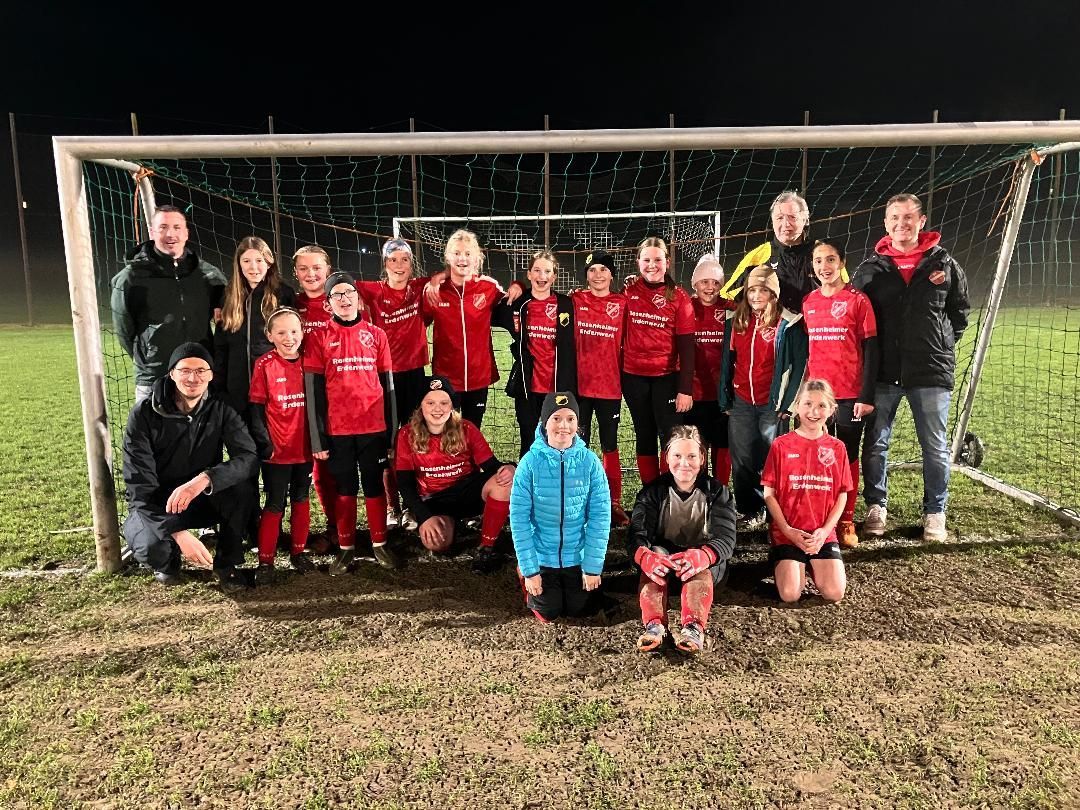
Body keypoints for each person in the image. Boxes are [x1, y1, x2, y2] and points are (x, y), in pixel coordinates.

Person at [852, 193, 970, 542]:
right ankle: (876, 506)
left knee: (934, 446)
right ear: (885, 223)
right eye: (894, 218)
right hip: (883, 372)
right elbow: (857, 318)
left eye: (907, 217)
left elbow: (959, 313)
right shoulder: (870, 269)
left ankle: (935, 511)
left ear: (921, 222)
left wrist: (938, 345)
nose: (901, 224)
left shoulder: (944, 263)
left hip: (930, 371)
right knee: (876, 444)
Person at [121, 342, 258, 592]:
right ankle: (168, 560)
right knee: (152, 548)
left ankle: (227, 564)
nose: (193, 378)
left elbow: (247, 457)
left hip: (198, 495)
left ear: (211, 375)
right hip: (155, 504)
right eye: (184, 370)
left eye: (200, 370)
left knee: (242, 490)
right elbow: (139, 487)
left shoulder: (221, 407)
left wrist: (206, 479)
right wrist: (178, 533)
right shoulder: (144, 414)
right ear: (172, 374)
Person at [303, 271, 400, 574]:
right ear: (328, 303)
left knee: (373, 485)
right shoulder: (319, 337)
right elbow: (313, 391)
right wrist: (318, 438)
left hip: (373, 429)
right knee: (345, 487)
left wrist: (391, 435)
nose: (344, 299)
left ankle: (379, 543)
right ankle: (346, 549)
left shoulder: (376, 335)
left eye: (349, 293)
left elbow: (388, 387)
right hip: (338, 431)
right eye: (337, 294)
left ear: (358, 298)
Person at [628, 425, 736, 654]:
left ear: (702, 458)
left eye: (691, 456)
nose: (684, 463)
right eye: (677, 456)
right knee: (654, 554)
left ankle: (693, 628)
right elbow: (636, 534)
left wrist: (704, 555)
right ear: (666, 457)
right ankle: (654, 625)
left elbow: (727, 538)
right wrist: (645, 557)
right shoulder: (652, 492)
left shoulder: (718, 493)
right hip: (665, 566)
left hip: (703, 567)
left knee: (700, 564)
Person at [395, 376, 515, 574]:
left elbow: (492, 466)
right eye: (430, 402)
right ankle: (454, 524)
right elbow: (405, 484)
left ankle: (486, 547)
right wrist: (425, 517)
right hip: (434, 500)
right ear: (420, 406)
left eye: (444, 402)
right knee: (437, 543)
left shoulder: (466, 428)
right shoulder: (406, 434)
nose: (437, 409)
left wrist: (510, 467)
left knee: (504, 483)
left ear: (452, 406)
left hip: (467, 491)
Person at [802, 239, 879, 547]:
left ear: (842, 263)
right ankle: (820, 516)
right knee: (816, 456)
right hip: (817, 397)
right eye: (818, 261)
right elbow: (810, 352)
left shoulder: (858, 300)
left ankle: (846, 520)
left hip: (848, 394)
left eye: (831, 259)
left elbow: (871, 349)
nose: (825, 266)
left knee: (846, 456)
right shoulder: (809, 302)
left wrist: (866, 395)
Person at [717, 266, 807, 525]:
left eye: (763, 290)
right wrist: (725, 397)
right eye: (752, 290)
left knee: (770, 458)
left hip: (772, 403)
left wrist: (788, 404)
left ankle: (775, 510)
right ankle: (750, 508)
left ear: (773, 294)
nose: (756, 296)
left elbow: (799, 366)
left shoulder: (788, 323)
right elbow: (727, 362)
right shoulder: (736, 321)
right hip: (742, 401)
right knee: (742, 457)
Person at [510, 392, 611, 623]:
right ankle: (522, 571)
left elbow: (600, 517)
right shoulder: (529, 464)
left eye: (570, 419)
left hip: (577, 555)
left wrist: (592, 567)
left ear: (578, 424)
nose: (563, 426)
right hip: (542, 556)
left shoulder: (590, 462)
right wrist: (530, 570)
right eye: (556, 418)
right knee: (549, 612)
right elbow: (519, 519)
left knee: (580, 609)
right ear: (544, 423)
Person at [355, 238, 433, 532]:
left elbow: (447, 275)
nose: (399, 265)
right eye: (393, 259)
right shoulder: (373, 290)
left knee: (416, 441)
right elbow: (338, 282)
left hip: (415, 375)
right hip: (384, 378)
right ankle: (392, 506)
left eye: (405, 259)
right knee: (388, 444)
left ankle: (414, 504)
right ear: (385, 263)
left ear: (412, 264)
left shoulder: (420, 288)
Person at [111, 205, 226, 404]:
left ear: (186, 233)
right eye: (163, 227)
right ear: (152, 232)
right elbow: (124, 331)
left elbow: (229, 321)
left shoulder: (208, 275)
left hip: (197, 378)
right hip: (154, 378)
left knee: (202, 425)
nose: (170, 234)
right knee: (151, 425)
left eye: (176, 227)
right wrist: (151, 356)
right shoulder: (131, 278)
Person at [761, 379, 849, 603]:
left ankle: (811, 563)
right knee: (790, 594)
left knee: (834, 593)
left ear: (831, 409)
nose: (814, 412)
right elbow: (769, 494)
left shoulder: (837, 448)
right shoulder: (781, 445)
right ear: (797, 405)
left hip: (821, 535)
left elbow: (842, 494)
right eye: (808, 404)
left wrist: (825, 531)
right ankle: (782, 558)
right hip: (788, 533)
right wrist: (787, 530)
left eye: (821, 406)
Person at [622, 236, 696, 486]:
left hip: (666, 378)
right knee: (643, 433)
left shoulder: (680, 297)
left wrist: (685, 389)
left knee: (670, 436)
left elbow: (687, 348)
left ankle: (669, 490)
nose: (651, 265)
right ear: (638, 262)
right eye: (646, 260)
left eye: (657, 259)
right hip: (633, 378)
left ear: (667, 261)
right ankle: (650, 492)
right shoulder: (628, 291)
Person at [248, 308, 315, 577]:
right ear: (270, 335)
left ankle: (299, 553)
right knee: (275, 503)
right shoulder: (264, 364)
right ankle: (266, 562)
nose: (289, 338)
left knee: (301, 497)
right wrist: (265, 444)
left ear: (302, 332)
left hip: (305, 450)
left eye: (294, 331)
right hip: (277, 452)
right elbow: (256, 409)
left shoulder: (310, 361)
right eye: (282, 332)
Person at [493, 249, 577, 458]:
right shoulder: (517, 303)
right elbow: (485, 311)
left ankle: (558, 477)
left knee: (559, 442)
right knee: (528, 441)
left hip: (558, 387)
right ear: (529, 274)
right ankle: (528, 477)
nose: (542, 276)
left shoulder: (567, 304)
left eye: (547, 271)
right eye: (537, 270)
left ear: (554, 276)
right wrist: (516, 285)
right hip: (527, 386)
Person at [422, 229, 508, 428]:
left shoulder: (489, 287)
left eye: (468, 253)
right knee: (445, 432)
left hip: (479, 377)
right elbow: (417, 323)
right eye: (457, 253)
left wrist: (517, 285)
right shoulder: (435, 291)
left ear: (477, 258)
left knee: (472, 430)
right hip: (445, 378)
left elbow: (513, 302)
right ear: (448, 257)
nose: (462, 258)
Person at [572, 250, 629, 526]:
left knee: (610, 444)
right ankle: (578, 500)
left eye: (603, 269)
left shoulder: (622, 302)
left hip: (609, 387)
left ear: (612, 274)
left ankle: (613, 503)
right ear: (586, 276)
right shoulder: (575, 300)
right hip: (579, 389)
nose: (598, 275)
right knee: (578, 445)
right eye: (592, 270)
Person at [719, 190, 846, 314]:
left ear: (805, 220)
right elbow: (726, 297)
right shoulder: (757, 257)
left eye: (792, 217)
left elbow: (845, 295)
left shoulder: (825, 253)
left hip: (820, 326)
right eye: (779, 218)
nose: (786, 224)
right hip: (775, 327)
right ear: (772, 221)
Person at [212, 236, 296, 418]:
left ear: (269, 263)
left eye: (259, 260)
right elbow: (221, 345)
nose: (253, 267)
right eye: (246, 261)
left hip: (273, 388)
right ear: (239, 264)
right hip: (236, 390)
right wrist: (218, 386)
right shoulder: (228, 295)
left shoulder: (283, 294)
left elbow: (295, 343)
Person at [291, 245, 338, 552]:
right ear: (295, 273)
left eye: (317, 267)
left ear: (328, 270)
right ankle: (297, 530)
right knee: (298, 462)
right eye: (304, 269)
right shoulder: (290, 305)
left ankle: (336, 526)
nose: (311, 274)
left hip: (332, 397)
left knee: (327, 463)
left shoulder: (341, 300)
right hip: (294, 395)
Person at [686, 253, 735, 485]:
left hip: (723, 392)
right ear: (695, 283)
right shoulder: (685, 307)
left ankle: (721, 491)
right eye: (704, 281)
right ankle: (700, 489)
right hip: (693, 392)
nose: (710, 287)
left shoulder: (730, 309)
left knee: (723, 444)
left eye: (715, 282)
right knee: (698, 444)